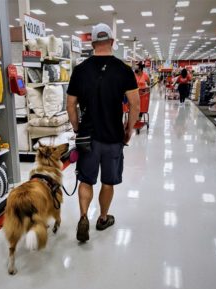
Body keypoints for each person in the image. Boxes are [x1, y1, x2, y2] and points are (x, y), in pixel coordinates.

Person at [66, 23, 140, 243]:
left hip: (88, 137)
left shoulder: (80, 70)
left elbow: (70, 105)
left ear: (92, 44)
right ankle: (103, 218)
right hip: (113, 136)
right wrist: (128, 129)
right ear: (112, 42)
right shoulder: (124, 70)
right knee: (108, 181)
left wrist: (77, 128)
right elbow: (135, 105)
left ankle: (82, 217)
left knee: (86, 180)